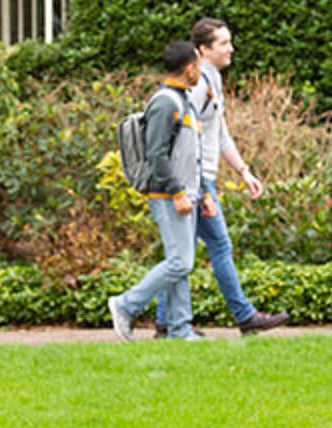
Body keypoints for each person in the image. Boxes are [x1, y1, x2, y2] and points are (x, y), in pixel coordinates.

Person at [152, 18, 288, 338]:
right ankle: (245, 316)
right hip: (196, 179)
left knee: (183, 253)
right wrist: (201, 188)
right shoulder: (198, 85)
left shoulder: (212, 80)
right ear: (203, 50)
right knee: (215, 246)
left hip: (202, 178)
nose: (231, 49)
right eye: (224, 43)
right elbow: (188, 139)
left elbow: (220, 134)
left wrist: (244, 171)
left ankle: (166, 322)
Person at [108, 40, 205, 341]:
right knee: (180, 262)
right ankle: (125, 305)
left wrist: (200, 194)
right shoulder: (166, 102)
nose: (200, 70)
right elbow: (157, 154)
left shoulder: (182, 100)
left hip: (184, 195)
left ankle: (179, 329)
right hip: (168, 196)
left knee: (180, 262)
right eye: (199, 65)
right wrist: (177, 192)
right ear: (189, 69)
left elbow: (188, 153)